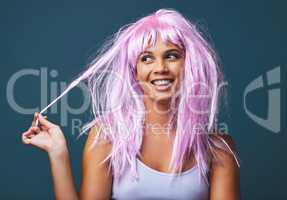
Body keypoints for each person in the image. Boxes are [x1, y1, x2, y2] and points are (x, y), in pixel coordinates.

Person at [21, 8, 240, 200]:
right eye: (146, 58)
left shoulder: (219, 149)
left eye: (171, 56)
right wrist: (58, 153)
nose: (160, 67)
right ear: (134, 72)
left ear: (189, 65)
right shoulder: (107, 137)